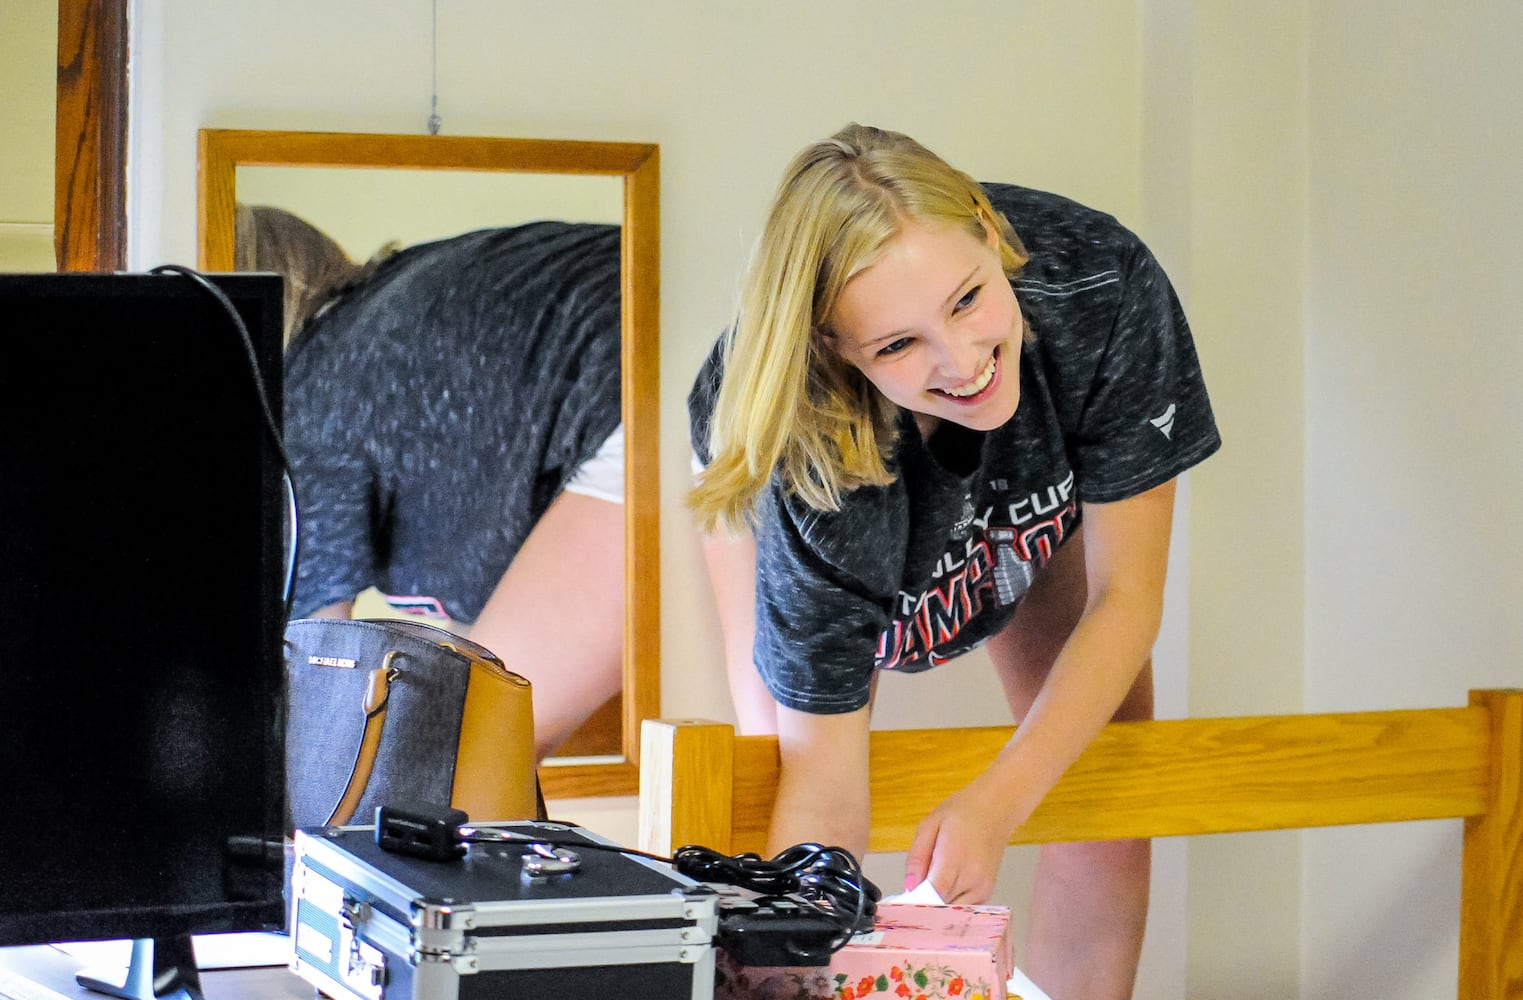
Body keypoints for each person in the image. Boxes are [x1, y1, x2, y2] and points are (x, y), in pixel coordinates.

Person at [688, 124, 1220, 999]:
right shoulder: (808, 452)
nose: (961, 360)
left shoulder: (1102, 290)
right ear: (834, 347)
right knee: (781, 827)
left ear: (985, 226)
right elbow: (824, 780)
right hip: (803, 470)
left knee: (1105, 799)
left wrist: (996, 803)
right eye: (897, 344)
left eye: (968, 299)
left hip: (1035, 469)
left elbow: (1127, 597)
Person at [238, 207, 627, 760]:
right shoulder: (399, 301)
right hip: (725, 352)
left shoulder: (305, 391)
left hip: (635, 394)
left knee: (464, 752)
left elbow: (311, 662)